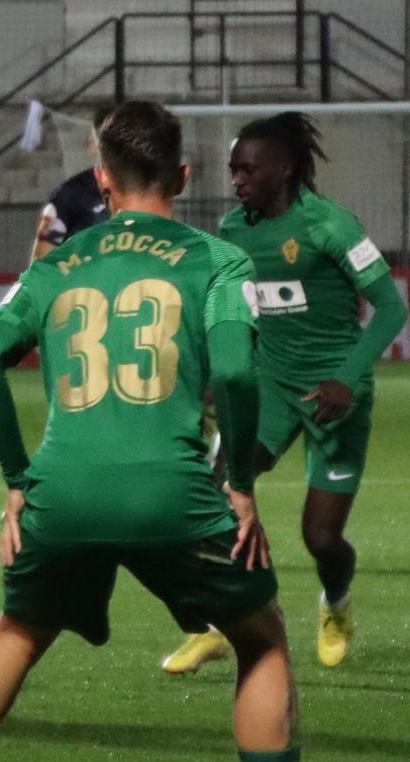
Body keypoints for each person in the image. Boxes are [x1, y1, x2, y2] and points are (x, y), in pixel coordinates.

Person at [0, 101, 300, 762]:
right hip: (171, 492)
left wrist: (17, 479)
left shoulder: (58, 264)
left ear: (101, 179)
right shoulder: (219, 261)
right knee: (261, 637)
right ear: (182, 174)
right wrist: (239, 483)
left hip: (62, 492)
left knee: (17, 633)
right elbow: (236, 373)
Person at [162, 113, 409, 673]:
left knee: (321, 539)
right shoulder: (234, 230)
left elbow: (392, 309)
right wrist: (207, 380)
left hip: (334, 393)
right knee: (214, 493)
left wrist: (346, 377)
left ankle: (336, 604)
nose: (237, 179)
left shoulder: (330, 227)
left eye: (249, 168)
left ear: (286, 167)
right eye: (233, 170)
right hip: (267, 387)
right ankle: (218, 624)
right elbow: (221, 311)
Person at [28, 106, 115, 262]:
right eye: (107, 140)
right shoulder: (69, 195)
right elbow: (41, 262)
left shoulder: (147, 191)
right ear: (92, 144)